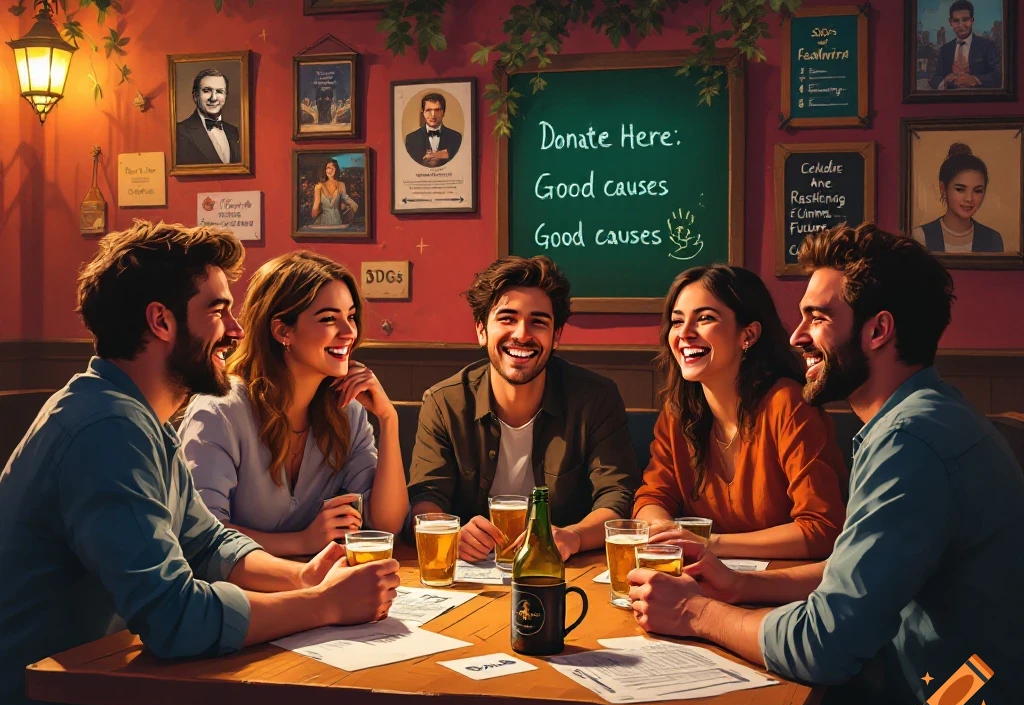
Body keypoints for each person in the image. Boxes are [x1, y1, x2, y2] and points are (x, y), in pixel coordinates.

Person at [0, 222, 400, 705]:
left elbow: (208, 542)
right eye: (218, 311)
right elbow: (175, 618)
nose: (236, 330)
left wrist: (303, 577)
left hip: (114, 703)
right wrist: (324, 604)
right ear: (161, 321)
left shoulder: (136, 417)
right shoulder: (107, 429)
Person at [628, 224, 1022, 705]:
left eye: (817, 317)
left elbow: (823, 645)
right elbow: (858, 572)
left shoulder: (909, 441)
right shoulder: (924, 416)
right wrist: (740, 587)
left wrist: (696, 613)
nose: (796, 336)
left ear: (878, 330)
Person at [407, 255, 640, 561]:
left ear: (556, 336)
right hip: (472, 571)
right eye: (507, 318)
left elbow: (617, 496)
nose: (522, 334)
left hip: (566, 568)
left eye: (538, 322)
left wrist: (574, 537)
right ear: (481, 331)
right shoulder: (444, 403)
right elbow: (426, 497)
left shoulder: (596, 398)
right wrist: (451, 534)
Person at [180, 251, 409, 554]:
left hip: (317, 578)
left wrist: (389, 419)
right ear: (282, 331)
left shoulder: (346, 409)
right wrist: (301, 541)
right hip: (229, 583)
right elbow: (200, 536)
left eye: (351, 317)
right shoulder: (220, 410)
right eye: (329, 319)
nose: (349, 333)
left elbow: (386, 525)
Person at [633, 265, 847, 560]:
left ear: (748, 334)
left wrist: (707, 544)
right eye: (677, 321)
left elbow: (822, 529)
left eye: (705, 318)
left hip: (787, 581)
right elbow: (652, 497)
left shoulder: (787, 403)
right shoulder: (678, 412)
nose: (684, 333)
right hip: (706, 576)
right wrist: (664, 531)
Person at [912, 142, 1004, 253]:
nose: (969, 198)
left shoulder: (992, 239)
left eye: (977, 191)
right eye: (960, 189)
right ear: (943, 188)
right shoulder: (921, 236)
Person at [929, 1, 1001, 91]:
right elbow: (935, 77)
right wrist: (945, 81)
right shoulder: (944, 50)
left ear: (972, 21)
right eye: (956, 21)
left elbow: (999, 75)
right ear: (950, 22)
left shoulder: (987, 45)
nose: (961, 25)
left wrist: (975, 80)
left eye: (965, 20)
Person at [175, 68, 241, 165]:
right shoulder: (180, 131)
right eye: (207, 91)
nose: (213, 98)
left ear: (226, 96)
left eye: (219, 91)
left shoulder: (233, 131)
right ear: (195, 96)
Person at [405, 92, 462, 168]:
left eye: (437, 110)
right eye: (428, 110)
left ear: (443, 112)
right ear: (423, 112)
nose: (433, 115)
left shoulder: (456, 137)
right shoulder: (411, 139)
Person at [311, 159, 358, 228]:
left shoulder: (341, 185)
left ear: (336, 170)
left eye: (333, 168)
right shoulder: (319, 187)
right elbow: (314, 213)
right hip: (323, 222)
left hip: (337, 221)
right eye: (328, 168)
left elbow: (348, 200)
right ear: (325, 170)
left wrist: (352, 207)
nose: (330, 171)